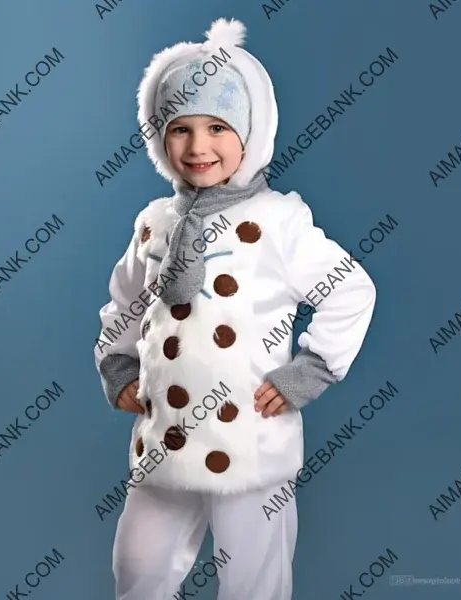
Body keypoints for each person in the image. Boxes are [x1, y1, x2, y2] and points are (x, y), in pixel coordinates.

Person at [93, 17, 376, 600]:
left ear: (252, 132)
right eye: (180, 129)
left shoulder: (278, 220)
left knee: (254, 578)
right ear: (159, 138)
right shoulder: (155, 220)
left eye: (218, 127)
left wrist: (312, 368)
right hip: (164, 439)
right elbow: (126, 301)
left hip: (248, 441)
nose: (198, 147)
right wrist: (118, 365)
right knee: (138, 566)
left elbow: (351, 289)